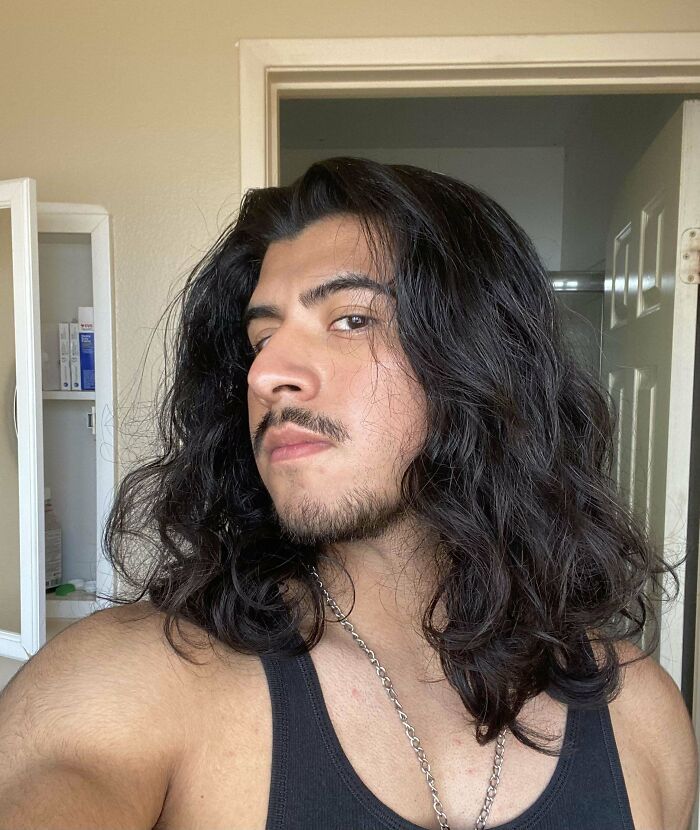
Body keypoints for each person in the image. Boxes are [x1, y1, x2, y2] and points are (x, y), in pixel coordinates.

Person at [0, 156, 697, 830]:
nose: (267, 372)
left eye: (351, 319)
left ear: (484, 359)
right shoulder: (145, 680)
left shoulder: (642, 718)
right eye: (261, 337)